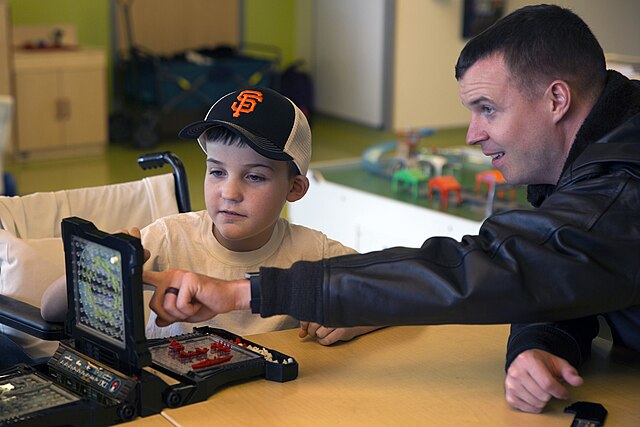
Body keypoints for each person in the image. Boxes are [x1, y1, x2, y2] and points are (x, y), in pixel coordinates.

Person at [142, 4, 640, 414]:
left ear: (556, 99)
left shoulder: (622, 190)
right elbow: (558, 270)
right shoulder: (596, 162)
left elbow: (491, 268)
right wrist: (545, 341)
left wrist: (244, 291)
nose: (472, 133)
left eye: (488, 109)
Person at [41, 87, 379, 346]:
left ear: (295, 188)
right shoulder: (168, 239)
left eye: (255, 176)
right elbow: (50, 310)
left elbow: (390, 291)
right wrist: (100, 263)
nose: (229, 193)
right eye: (217, 172)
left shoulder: (312, 252)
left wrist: (358, 320)